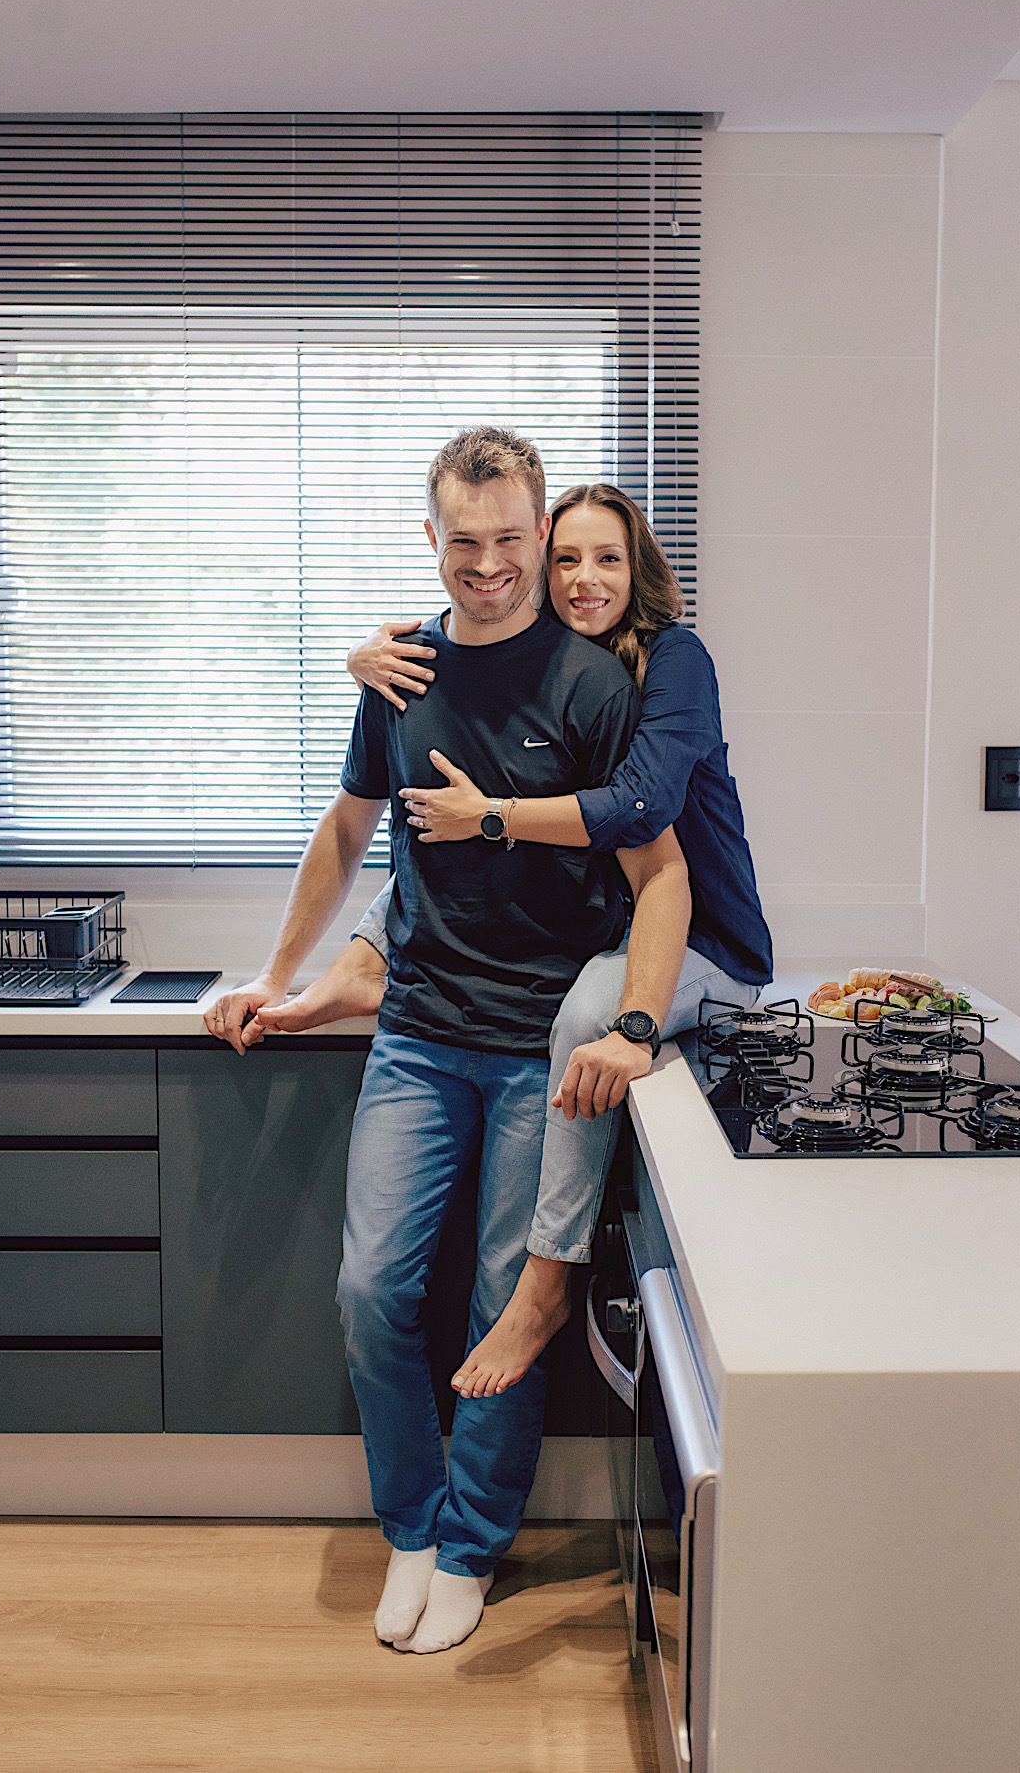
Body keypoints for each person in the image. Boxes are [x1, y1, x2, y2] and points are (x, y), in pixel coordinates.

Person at [207, 430, 691, 1655]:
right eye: (462, 541)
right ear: (434, 539)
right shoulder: (401, 673)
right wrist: (281, 979)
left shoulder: (592, 683)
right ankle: (413, 1529)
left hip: (537, 1051)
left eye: (509, 539)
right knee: (371, 1290)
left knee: (498, 1301)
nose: (488, 565)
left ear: (540, 533)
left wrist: (635, 1023)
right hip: (418, 1038)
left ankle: (472, 1545)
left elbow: (651, 866)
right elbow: (349, 829)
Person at [292, 481, 774, 1401]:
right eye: (568, 560)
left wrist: (496, 821)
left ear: (640, 572)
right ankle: (362, 969)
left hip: (707, 940)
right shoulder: (549, 670)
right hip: (601, 936)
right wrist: (370, 655)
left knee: (589, 1008)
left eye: (608, 559)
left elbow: (638, 812)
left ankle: (549, 1278)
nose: (584, 579)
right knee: (428, 862)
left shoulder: (671, 662)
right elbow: (401, 824)